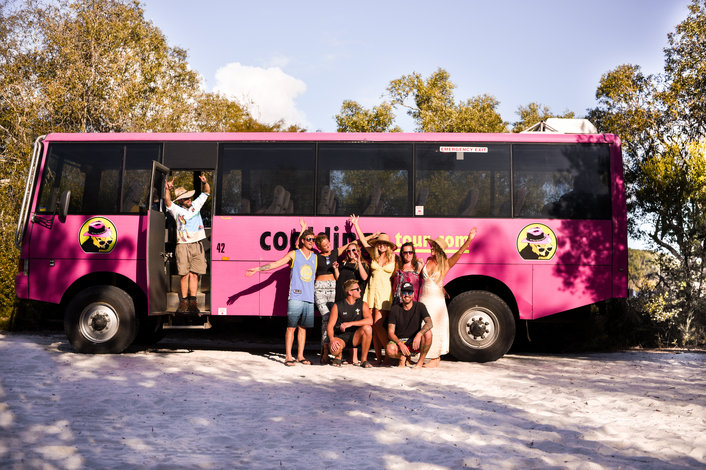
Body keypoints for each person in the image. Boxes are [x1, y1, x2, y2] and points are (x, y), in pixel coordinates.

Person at [245, 227, 317, 367]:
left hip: (309, 298)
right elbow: (275, 264)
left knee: (303, 328)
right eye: (309, 239)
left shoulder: (314, 257)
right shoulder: (294, 254)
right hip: (296, 296)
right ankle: (288, 356)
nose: (311, 242)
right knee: (291, 327)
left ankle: (300, 356)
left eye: (313, 240)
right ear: (303, 240)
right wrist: (257, 269)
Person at [420, 228, 478, 368]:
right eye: (432, 246)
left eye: (434, 247)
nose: (431, 248)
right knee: (423, 327)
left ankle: (436, 358)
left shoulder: (446, 263)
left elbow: (459, 252)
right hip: (424, 299)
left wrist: (469, 239)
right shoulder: (428, 260)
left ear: (440, 250)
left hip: (436, 302)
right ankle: (425, 355)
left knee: (436, 327)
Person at [350, 215, 396, 366]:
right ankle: (379, 358)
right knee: (372, 327)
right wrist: (356, 224)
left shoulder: (393, 258)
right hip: (371, 293)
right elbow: (363, 241)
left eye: (384, 244)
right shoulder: (373, 254)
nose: (381, 246)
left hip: (384, 295)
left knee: (377, 325)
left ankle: (389, 354)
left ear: (388, 246)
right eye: (379, 243)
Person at [165, 175, 210, 313]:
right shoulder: (176, 210)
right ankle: (184, 303)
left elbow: (206, 192)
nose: (189, 199)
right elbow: (167, 201)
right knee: (184, 275)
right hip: (182, 245)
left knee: (194, 274)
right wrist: (167, 189)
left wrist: (205, 182)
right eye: (186, 198)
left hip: (197, 245)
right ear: (181, 201)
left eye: (189, 197)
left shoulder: (196, 205)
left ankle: (193, 303)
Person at [327, 279, 374, 368]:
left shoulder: (363, 304)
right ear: (350, 292)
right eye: (357, 289)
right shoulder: (337, 305)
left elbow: (370, 321)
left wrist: (351, 323)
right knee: (335, 350)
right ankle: (338, 357)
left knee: (368, 328)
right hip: (340, 337)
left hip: (355, 337)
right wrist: (332, 339)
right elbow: (330, 326)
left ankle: (363, 360)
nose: (360, 290)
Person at [386, 282, 433, 369]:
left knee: (428, 333)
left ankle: (419, 363)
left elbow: (430, 323)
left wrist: (419, 334)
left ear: (413, 294)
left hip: (414, 342)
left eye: (409, 292)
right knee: (390, 349)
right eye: (404, 292)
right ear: (401, 294)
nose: (407, 295)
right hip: (400, 342)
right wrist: (400, 344)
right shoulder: (394, 309)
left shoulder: (420, 306)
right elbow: (390, 332)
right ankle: (402, 357)